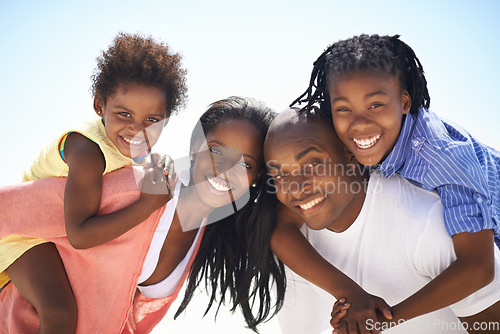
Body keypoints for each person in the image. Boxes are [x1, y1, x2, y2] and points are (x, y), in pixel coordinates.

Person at [268, 33, 500, 331]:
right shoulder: (354, 147)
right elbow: (283, 227)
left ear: (405, 102)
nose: (359, 122)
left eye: (375, 105)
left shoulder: (441, 159)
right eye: (343, 109)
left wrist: (383, 318)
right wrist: (349, 292)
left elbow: (479, 268)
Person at [0, 96, 276, 333]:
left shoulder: (205, 235)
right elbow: (11, 207)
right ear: (195, 147)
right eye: (216, 150)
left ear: (257, 176)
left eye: (245, 163)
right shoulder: (140, 187)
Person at [0, 32, 187, 333]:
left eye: (152, 120)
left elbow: (144, 160)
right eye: (124, 114)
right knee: (59, 311)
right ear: (100, 105)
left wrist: (161, 163)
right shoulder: (88, 153)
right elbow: (80, 235)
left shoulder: (132, 141)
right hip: (25, 234)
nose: (137, 130)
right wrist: (148, 204)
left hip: (53, 233)